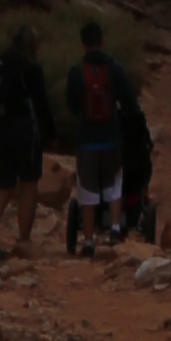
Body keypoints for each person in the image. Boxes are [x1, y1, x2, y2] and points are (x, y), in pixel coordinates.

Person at [0, 26, 53, 258]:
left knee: (4, 184)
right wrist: (51, 134)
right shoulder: (32, 68)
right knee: (29, 184)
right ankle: (23, 240)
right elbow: (41, 105)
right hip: (23, 130)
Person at [59, 17, 133, 253]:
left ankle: (88, 240)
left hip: (86, 139)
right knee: (114, 181)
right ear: (102, 40)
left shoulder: (75, 71)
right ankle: (113, 228)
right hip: (111, 136)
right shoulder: (115, 68)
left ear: (83, 44)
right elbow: (130, 103)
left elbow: (71, 105)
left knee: (87, 189)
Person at [115, 66, 158, 248]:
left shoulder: (111, 117)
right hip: (132, 174)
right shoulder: (136, 118)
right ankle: (143, 196)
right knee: (143, 165)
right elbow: (147, 143)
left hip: (111, 173)